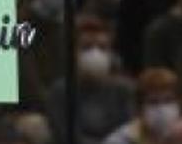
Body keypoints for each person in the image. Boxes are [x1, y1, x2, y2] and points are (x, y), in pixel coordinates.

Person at [44, 14, 135, 144]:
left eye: (102, 48)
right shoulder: (59, 92)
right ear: (73, 53)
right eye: (87, 47)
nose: (95, 53)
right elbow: (66, 136)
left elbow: (127, 133)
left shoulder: (124, 91)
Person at [103, 67, 181, 144]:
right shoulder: (121, 139)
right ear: (140, 107)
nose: (161, 109)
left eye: (168, 100)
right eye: (153, 102)